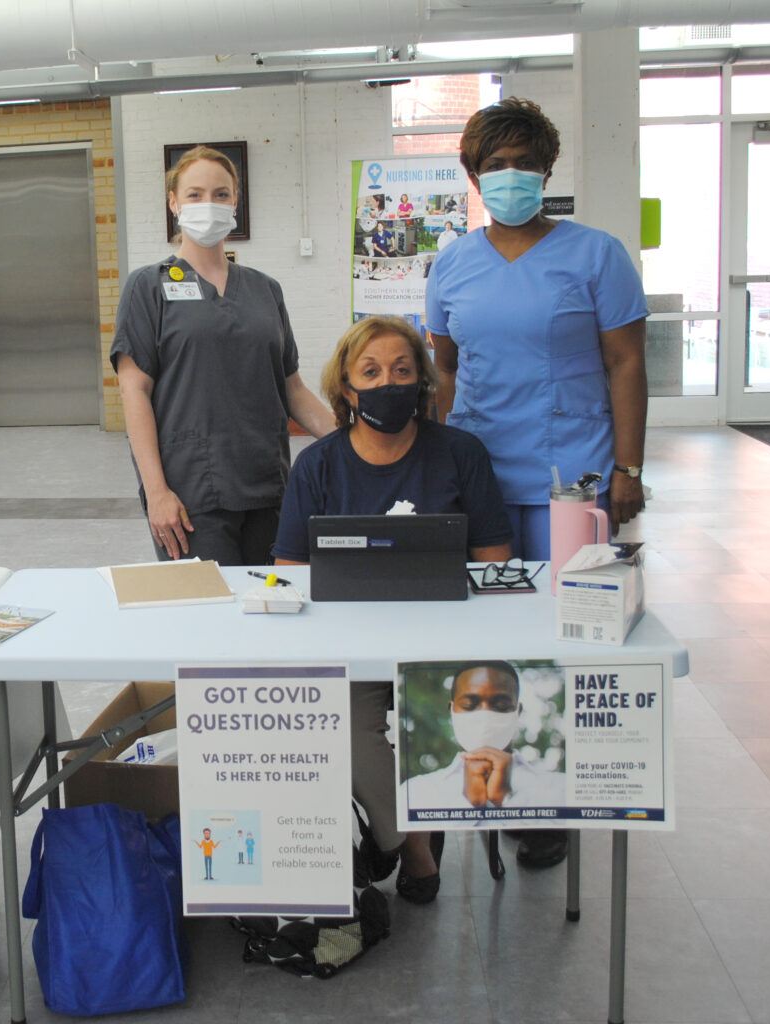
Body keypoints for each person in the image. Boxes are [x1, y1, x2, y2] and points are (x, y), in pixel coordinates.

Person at [426, 96, 648, 868]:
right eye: (496, 165)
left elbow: (626, 363)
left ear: (547, 169)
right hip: (481, 476)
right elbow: (445, 371)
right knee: (489, 638)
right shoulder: (452, 262)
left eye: (524, 162)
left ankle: (552, 802)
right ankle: (494, 778)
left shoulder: (596, 255)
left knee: (566, 637)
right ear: (475, 175)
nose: (511, 176)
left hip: (572, 479)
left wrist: (628, 467)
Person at [273, 315, 513, 903]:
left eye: (403, 371)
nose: (388, 384)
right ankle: (410, 844)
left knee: (435, 728)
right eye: (372, 372)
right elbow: (291, 574)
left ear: (423, 383)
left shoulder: (461, 454)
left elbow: (495, 563)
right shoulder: (318, 465)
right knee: (345, 733)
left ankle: (392, 843)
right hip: (347, 645)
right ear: (346, 388)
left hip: (444, 642)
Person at [111, 146, 335, 565]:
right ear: (174, 202)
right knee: (207, 618)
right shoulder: (148, 288)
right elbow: (134, 393)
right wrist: (156, 492)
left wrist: (353, 439)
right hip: (190, 497)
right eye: (194, 195)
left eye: (220, 194)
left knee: (271, 607)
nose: (208, 205)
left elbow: (293, 389)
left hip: (267, 487)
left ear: (235, 202)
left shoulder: (265, 290)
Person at [400, 661, 565, 811]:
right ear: (451, 711)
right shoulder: (415, 792)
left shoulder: (561, 788)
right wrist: (467, 805)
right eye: (469, 705)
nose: (485, 715)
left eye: (501, 705)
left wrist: (508, 801)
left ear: (518, 712)